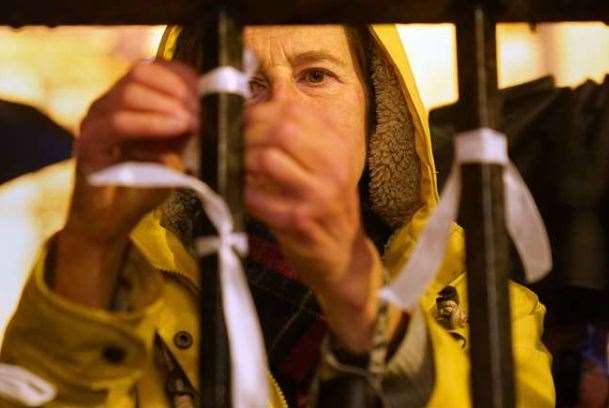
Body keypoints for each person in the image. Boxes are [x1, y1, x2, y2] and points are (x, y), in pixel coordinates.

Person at [0, 24, 554, 407]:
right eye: (245, 85)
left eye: (316, 75)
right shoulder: (120, 286)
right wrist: (91, 246)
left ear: (376, 117)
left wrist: (357, 294)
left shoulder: (478, 300)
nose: (281, 111)